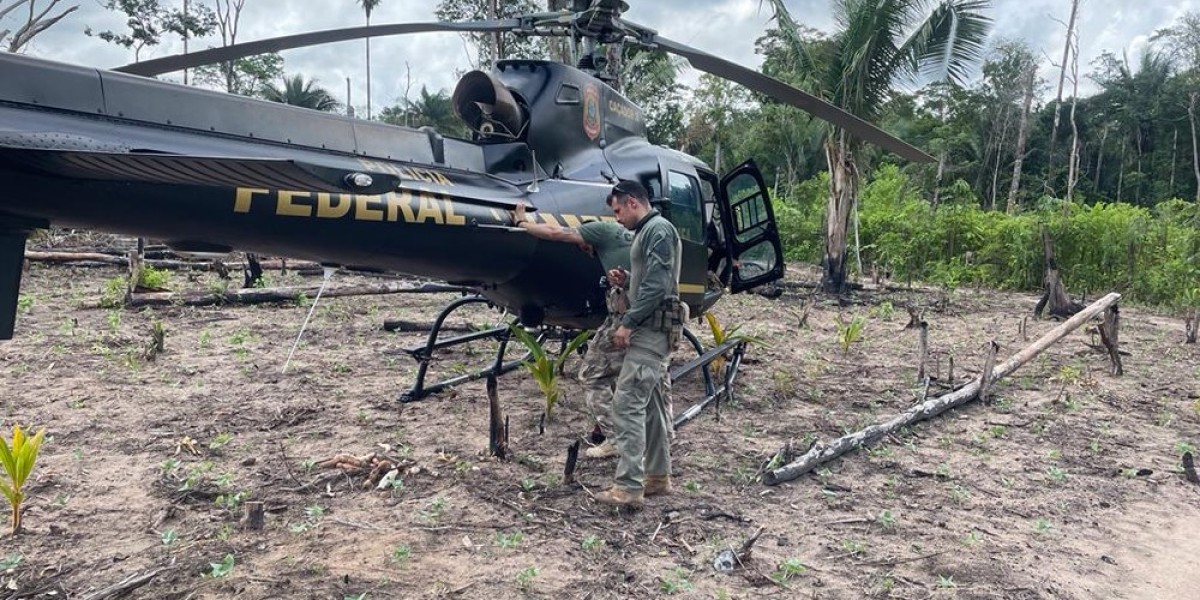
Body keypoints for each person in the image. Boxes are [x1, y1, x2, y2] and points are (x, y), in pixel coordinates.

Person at [510, 201, 632, 458]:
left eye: (582, 244)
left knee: (591, 374)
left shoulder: (600, 231)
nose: (583, 250)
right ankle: (621, 432)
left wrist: (522, 222)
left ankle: (617, 438)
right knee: (623, 380)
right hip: (638, 318)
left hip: (626, 319)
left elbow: (556, 233)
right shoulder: (626, 239)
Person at [595, 180, 684, 509]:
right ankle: (657, 478)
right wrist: (629, 281)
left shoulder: (657, 230)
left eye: (617, 210)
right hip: (654, 326)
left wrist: (629, 322)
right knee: (651, 405)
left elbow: (660, 285)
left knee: (626, 403)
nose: (616, 218)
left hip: (651, 329)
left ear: (633, 202)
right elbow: (652, 280)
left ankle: (629, 487)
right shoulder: (650, 232)